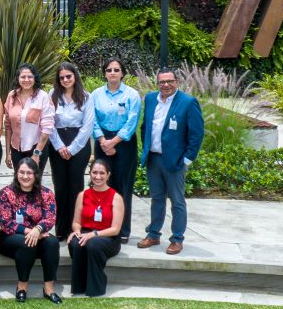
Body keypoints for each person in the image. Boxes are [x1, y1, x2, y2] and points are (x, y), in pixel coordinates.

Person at [138, 70, 205, 255]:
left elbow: (196, 134)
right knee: (156, 198)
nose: (166, 85)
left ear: (177, 81)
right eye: (162, 82)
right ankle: (153, 234)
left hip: (175, 162)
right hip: (154, 158)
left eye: (170, 81)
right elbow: (145, 127)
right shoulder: (151, 99)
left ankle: (177, 239)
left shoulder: (188, 102)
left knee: (177, 201)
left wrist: (187, 159)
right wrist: (146, 148)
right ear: (157, 83)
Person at [89, 56, 141, 243]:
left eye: (116, 70)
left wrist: (114, 142)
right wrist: (103, 141)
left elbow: (132, 122)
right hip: (102, 140)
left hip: (124, 144)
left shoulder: (132, 95)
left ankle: (122, 230)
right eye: (109, 70)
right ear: (104, 73)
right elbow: (92, 119)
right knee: (102, 185)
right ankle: (103, 226)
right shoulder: (95, 94)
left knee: (122, 187)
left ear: (123, 73)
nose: (112, 73)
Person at [0, 158, 61, 303]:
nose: (25, 176)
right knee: (27, 242)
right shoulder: (6, 193)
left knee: (52, 242)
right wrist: (30, 232)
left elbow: (50, 218)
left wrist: (37, 229)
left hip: (39, 235)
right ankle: (22, 286)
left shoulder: (46, 193)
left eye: (29, 173)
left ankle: (49, 288)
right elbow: (5, 222)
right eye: (22, 172)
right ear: (16, 173)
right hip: (10, 238)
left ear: (36, 175)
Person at [48, 62, 95, 241]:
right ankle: (61, 229)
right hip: (57, 142)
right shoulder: (52, 95)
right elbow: (49, 122)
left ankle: (76, 228)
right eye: (62, 78)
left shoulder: (86, 96)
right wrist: (60, 146)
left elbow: (87, 125)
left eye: (69, 76)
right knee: (60, 186)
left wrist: (73, 148)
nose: (66, 80)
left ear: (75, 76)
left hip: (79, 144)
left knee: (76, 187)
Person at [68, 159, 124, 297]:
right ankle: (79, 287)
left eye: (102, 173)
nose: (97, 176)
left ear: (108, 175)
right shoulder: (83, 195)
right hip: (85, 232)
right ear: (90, 173)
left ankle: (96, 288)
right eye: (94, 172)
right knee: (76, 243)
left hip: (107, 237)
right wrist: (76, 232)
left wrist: (93, 234)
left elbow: (115, 229)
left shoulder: (116, 197)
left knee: (92, 244)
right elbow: (76, 222)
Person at [2, 64, 54, 170]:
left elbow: (47, 128)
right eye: (23, 77)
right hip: (16, 148)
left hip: (37, 147)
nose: (26, 80)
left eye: (30, 77)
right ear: (18, 79)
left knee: (34, 182)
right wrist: (8, 153)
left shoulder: (43, 96)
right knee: (19, 182)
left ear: (35, 78)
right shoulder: (11, 96)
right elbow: (8, 126)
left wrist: (36, 154)